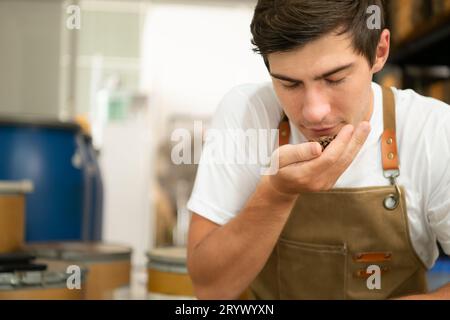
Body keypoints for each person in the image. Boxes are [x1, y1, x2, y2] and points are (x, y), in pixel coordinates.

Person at [186, 0, 450, 299]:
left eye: (334, 79)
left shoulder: (433, 130)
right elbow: (210, 290)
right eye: (289, 84)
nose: (313, 112)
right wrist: (276, 194)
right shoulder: (248, 114)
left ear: (379, 51)